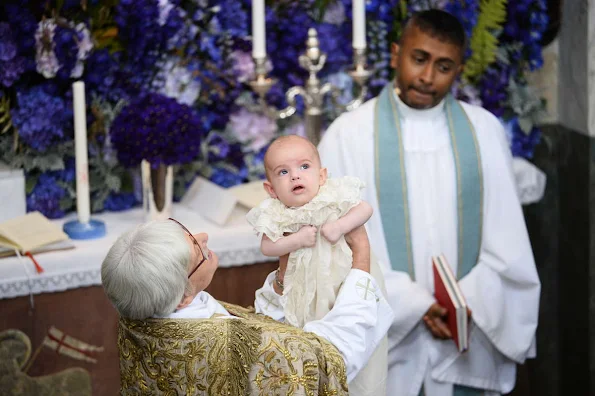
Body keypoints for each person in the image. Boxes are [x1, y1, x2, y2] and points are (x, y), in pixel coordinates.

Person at [318, 9, 541, 396]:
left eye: (443, 66)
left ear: (459, 69)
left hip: (466, 324)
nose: (427, 77)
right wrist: (412, 303)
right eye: (418, 59)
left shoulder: (484, 131)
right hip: (386, 335)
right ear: (395, 54)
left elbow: (508, 242)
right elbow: (330, 244)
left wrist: (464, 302)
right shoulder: (348, 136)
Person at [101, 217, 393, 386]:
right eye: (195, 248)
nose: (203, 237)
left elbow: (254, 332)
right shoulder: (227, 344)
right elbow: (331, 358)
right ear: (182, 297)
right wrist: (362, 260)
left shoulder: (138, 315)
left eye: (187, 232)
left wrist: (282, 277)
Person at [246, 135, 388, 395]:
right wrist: (296, 240)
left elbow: (365, 209)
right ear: (271, 190)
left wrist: (340, 226)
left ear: (322, 175)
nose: (295, 177)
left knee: (351, 345)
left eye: (304, 167)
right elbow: (267, 246)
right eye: (283, 172)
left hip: (343, 283)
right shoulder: (277, 212)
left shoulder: (333, 195)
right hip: (303, 288)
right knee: (311, 344)